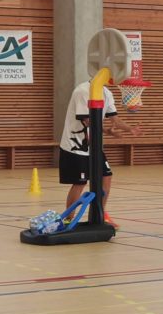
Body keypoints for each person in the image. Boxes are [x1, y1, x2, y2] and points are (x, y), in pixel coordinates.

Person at [59, 81, 142, 227]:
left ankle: (100, 215)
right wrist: (107, 131)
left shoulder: (106, 93)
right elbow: (87, 120)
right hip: (75, 146)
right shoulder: (82, 91)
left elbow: (115, 119)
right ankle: (68, 220)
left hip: (94, 146)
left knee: (106, 177)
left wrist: (129, 129)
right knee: (80, 183)